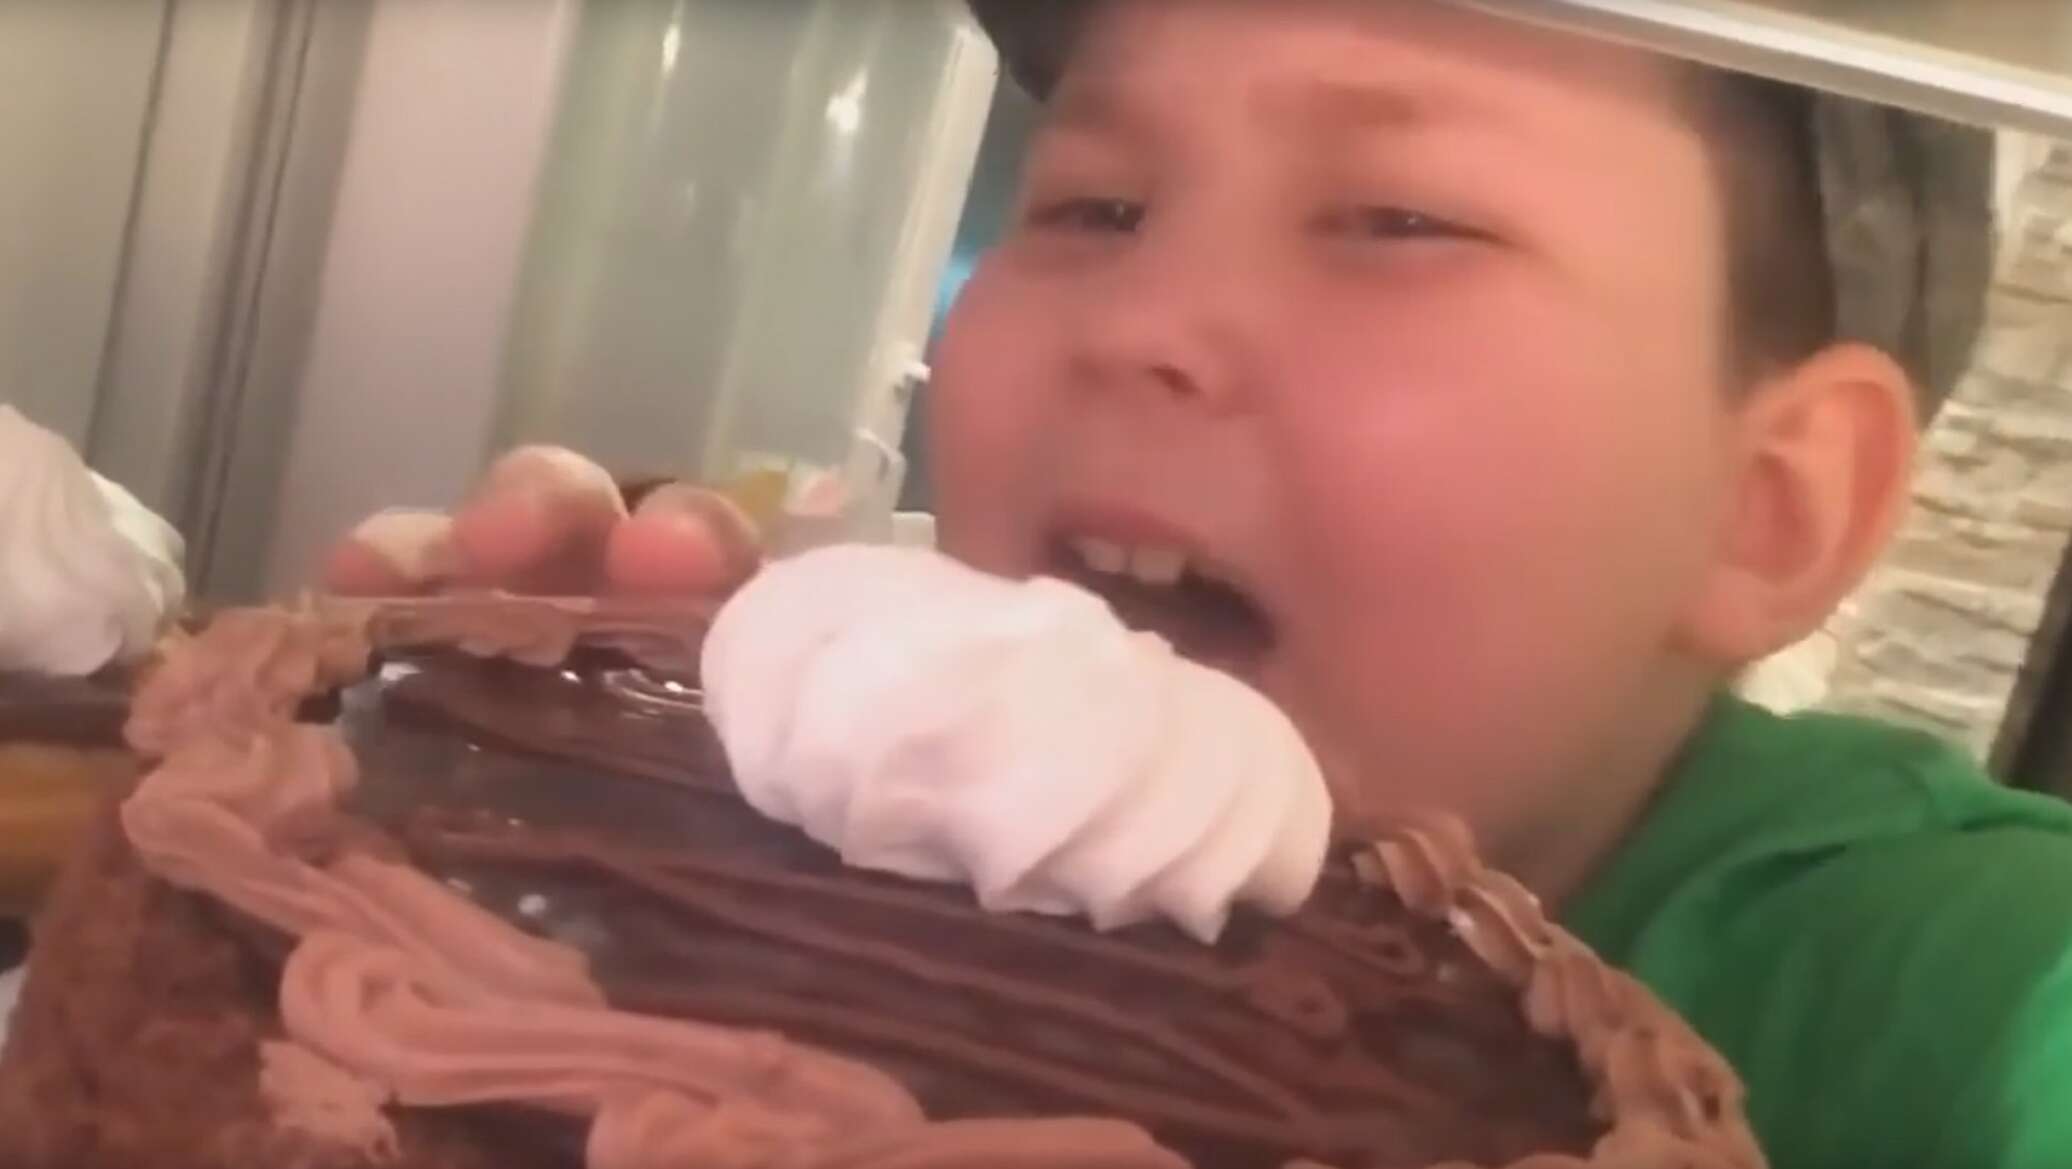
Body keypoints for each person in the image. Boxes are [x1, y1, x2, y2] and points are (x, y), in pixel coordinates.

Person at [322, 2, 2072, 1165]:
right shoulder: (845, 782)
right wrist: (576, 858)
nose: (1144, 321)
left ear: (1767, 508)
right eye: (1095, 204)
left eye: (1398, 219)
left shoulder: (1976, 989)